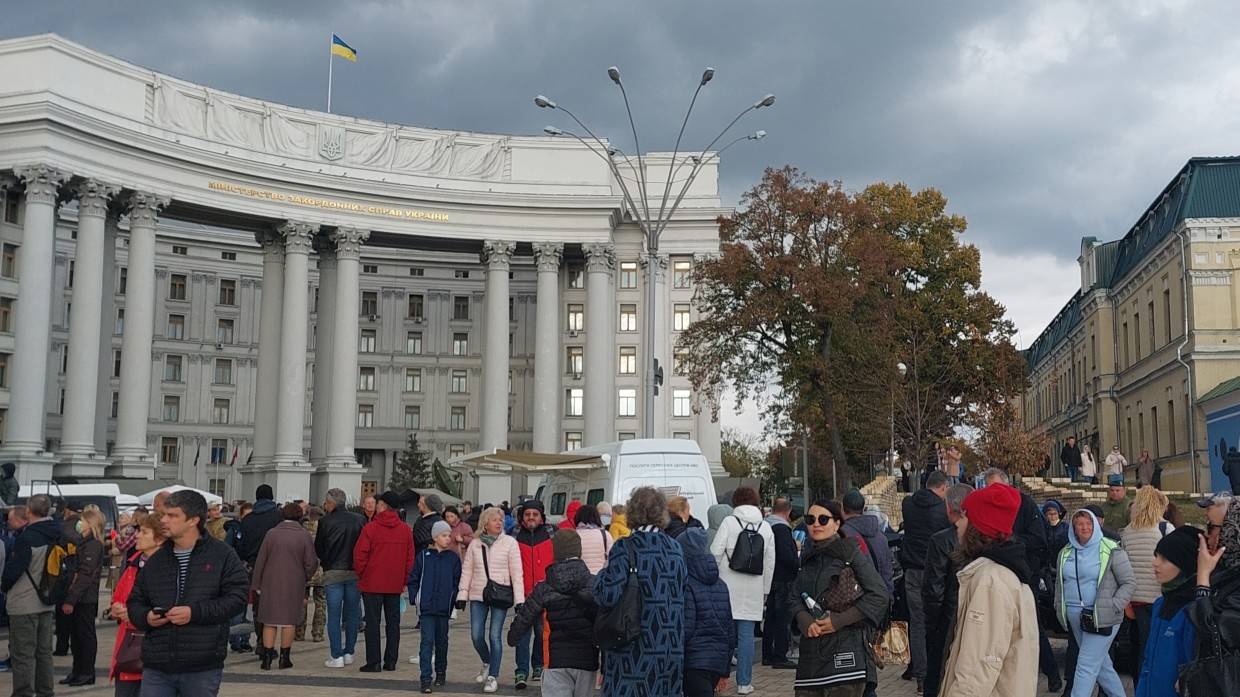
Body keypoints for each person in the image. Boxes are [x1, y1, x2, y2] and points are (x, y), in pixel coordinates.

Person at [127, 489, 249, 696]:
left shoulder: (222, 555)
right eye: (164, 514)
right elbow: (136, 601)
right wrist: (146, 617)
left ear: (193, 520)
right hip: (157, 664)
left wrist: (195, 612)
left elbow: (237, 597)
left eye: (172, 515)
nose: (164, 520)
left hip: (201, 665)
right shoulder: (156, 560)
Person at [939, 484, 1039, 696]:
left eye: (964, 517)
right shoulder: (1005, 573)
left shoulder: (991, 582)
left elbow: (978, 667)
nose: (958, 523)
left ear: (978, 527)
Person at [787, 499, 889, 697]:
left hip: (846, 655)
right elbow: (793, 596)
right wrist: (803, 619)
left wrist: (838, 621)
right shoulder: (808, 556)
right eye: (810, 519)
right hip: (811, 659)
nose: (816, 524)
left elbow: (879, 594)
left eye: (823, 519)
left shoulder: (850, 553)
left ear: (837, 524)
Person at [594, 487, 686, 697]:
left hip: (633, 648)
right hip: (669, 648)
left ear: (632, 512)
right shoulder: (675, 548)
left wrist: (600, 575)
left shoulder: (624, 547)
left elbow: (607, 595)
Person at [1055, 508, 1136, 697]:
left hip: (1102, 616)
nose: (1084, 528)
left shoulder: (1111, 548)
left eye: (1088, 523)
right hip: (1075, 617)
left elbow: (1129, 582)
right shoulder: (1065, 552)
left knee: (1085, 665)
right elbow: (1060, 584)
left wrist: (1114, 604)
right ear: (1073, 528)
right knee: (1101, 666)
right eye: (1079, 524)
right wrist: (1060, 608)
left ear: (1096, 524)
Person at [507, 529, 598, 697]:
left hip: (555, 659)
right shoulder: (594, 584)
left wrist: (513, 637)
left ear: (555, 552)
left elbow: (526, 616)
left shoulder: (545, 586)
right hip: (587, 659)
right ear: (579, 551)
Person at [708, 487, 775, 694]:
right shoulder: (766, 527)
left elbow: (715, 552)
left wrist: (712, 580)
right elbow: (770, 562)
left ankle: (718, 679)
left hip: (726, 586)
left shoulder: (729, 522)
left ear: (736, 502)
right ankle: (744, 683)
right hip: (753, 588)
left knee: (723, 635)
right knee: (746, 636)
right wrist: (765, 590)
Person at [458, 506, 524, 693]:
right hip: (478, 594)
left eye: (500, 520)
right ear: (485, 523)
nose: (499, 523)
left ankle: (493, 676)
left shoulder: (510, 543)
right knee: (476, 635)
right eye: (494, 519)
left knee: (495, 636)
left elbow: (516, 573)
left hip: (500, 594)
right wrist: (462, 594)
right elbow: (467, 570)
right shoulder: (475, 544)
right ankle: (487, 661)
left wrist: (519, 600)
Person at [2, 495, 62, 697]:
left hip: (25, 602)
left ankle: (23, 693)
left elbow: (15, 569)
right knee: (44, 652)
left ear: (29, 511)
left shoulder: (28, 537)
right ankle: (46, 691)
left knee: (23, 654)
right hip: (47, 600)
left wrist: (3, 585)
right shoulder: (56, 532)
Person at [899, 469, 953, 690]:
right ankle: (938, 671)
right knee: (940, 620)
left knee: (917, 623)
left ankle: (921, 677)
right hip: (936, 570)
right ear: (942, 487)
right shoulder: (942, 509)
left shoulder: (908, 505)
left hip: (912, 569)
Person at [1133, 525, 1202, 697]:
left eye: (1164, 559)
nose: (1155, 563)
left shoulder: (1194, 610)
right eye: (1156, 556)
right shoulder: (1160, 603)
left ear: (1184, 564)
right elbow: (1148, 661)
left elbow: (1193, 669)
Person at [251, 502, 318, 670]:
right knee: (289, 621)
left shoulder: (271, 534)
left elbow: (261, 560)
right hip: (294, 582)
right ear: (299, 517)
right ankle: (284, 658)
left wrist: (257, 582)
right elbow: (311, 562)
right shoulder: (304, 535)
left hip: (270, 581)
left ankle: (266, 659)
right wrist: (305, 576)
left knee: (269, 620)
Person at [354, 491, 415, 673]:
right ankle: (391, 661)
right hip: (395, 583)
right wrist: (404, 579)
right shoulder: (405, 529)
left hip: (372, 582)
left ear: (383, 506)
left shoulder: (370, 528)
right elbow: (410, 559)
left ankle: (374, 662)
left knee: (372, 623)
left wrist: (363, 573)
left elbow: (359, 555)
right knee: (393, 623)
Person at [922, 483, 973, 697]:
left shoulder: (941, 540)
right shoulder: (983, 537)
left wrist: (932, 623)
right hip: (973, 612)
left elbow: (934, 589)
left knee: (939, 674)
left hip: (948, 616)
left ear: (948, 508)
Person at [1120, 485, 1173, 689]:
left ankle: (1141, 686)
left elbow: (1123, 569)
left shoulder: (1126, 532)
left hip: (1136, 600)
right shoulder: (1164, 529)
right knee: (1161, 646)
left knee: (1142, 645)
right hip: (1161, 597)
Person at [108, 511, 164, 697]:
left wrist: (132, 614)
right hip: (129, 649)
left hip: (155, 649)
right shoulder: (133, 564)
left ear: (160, 539)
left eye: (144, 532)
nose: (137, 535)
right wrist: (116, 608)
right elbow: (117, 597)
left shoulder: (168, 568)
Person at [679, 527, 734, 697]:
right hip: (716, 661)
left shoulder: (686, 585)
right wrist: (725, 670)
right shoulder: (721, 585)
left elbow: (685, 629)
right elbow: (729, 629)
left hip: (693, 661)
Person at [409, 520, 463, 693]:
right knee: (426, 642)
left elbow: (457, 582)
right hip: (426, 608)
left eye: (449, 535)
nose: (448, 539)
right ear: (435, 537)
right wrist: (415, 598)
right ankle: (425, 678)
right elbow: (414, 579)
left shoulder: (453, 559)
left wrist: (453, 599)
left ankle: (441, 672)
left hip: (443, 608)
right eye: (444, 535)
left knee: (442, 642)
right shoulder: (423, 557)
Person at [317, 487, 365, 668]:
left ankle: (336, 654)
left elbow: (319, 548)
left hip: (333, 571)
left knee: (334, 615)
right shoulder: (360, 520)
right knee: (353, 614)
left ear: (330, 503)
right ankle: (349, 652)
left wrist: (326, 562)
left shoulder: (325, 521)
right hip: (354, 572)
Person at [513, 497, 556, 687]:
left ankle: (538, 664)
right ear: (522, 517)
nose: (531, 517)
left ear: (541, 517)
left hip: (545, 593)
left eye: (535, 514)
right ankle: (521, 670)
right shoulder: (514, 537)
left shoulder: (552, 536)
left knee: (541, 633)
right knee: (522, 635)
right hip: (523, 594)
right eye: (528, 514)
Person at [61, 508, 106, 686]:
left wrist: (71, 599)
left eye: (82, 521)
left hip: (84, 598)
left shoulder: (93, 545)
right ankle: (77, 670)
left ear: (90, 524)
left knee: (85, 636)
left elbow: (85, 574)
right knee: (76, 636)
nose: (79, 524)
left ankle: (86, 672)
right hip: (80, 596)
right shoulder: (84, 543)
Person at [762, 497, 799, 669]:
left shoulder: (765, 525)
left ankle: (767, 654)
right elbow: (786, 556)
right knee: (782, 617)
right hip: (783, 578)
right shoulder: (782, 529)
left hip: (769, 578)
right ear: (788, 511)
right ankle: (780, 655)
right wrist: (797, 564)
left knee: (770, 617)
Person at [840, 490, 895, 594]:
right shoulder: (881, 537)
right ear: (863, 509)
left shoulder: (841, 535)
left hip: (857, 602)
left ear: (842, 508)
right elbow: (887, 572)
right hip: (880, 598)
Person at [295, 505, 326, 643]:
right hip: (321, 571)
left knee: (302, 602)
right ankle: (318, 634)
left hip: (305, 571)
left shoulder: (301, 529)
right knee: (321, 603)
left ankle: (299, 633)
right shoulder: (324, 528)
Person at [572, 503, 612, 575]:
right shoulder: (605, 535)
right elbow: (611, 558)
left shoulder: (574, 535)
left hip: (581, 578)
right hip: (601, 578)